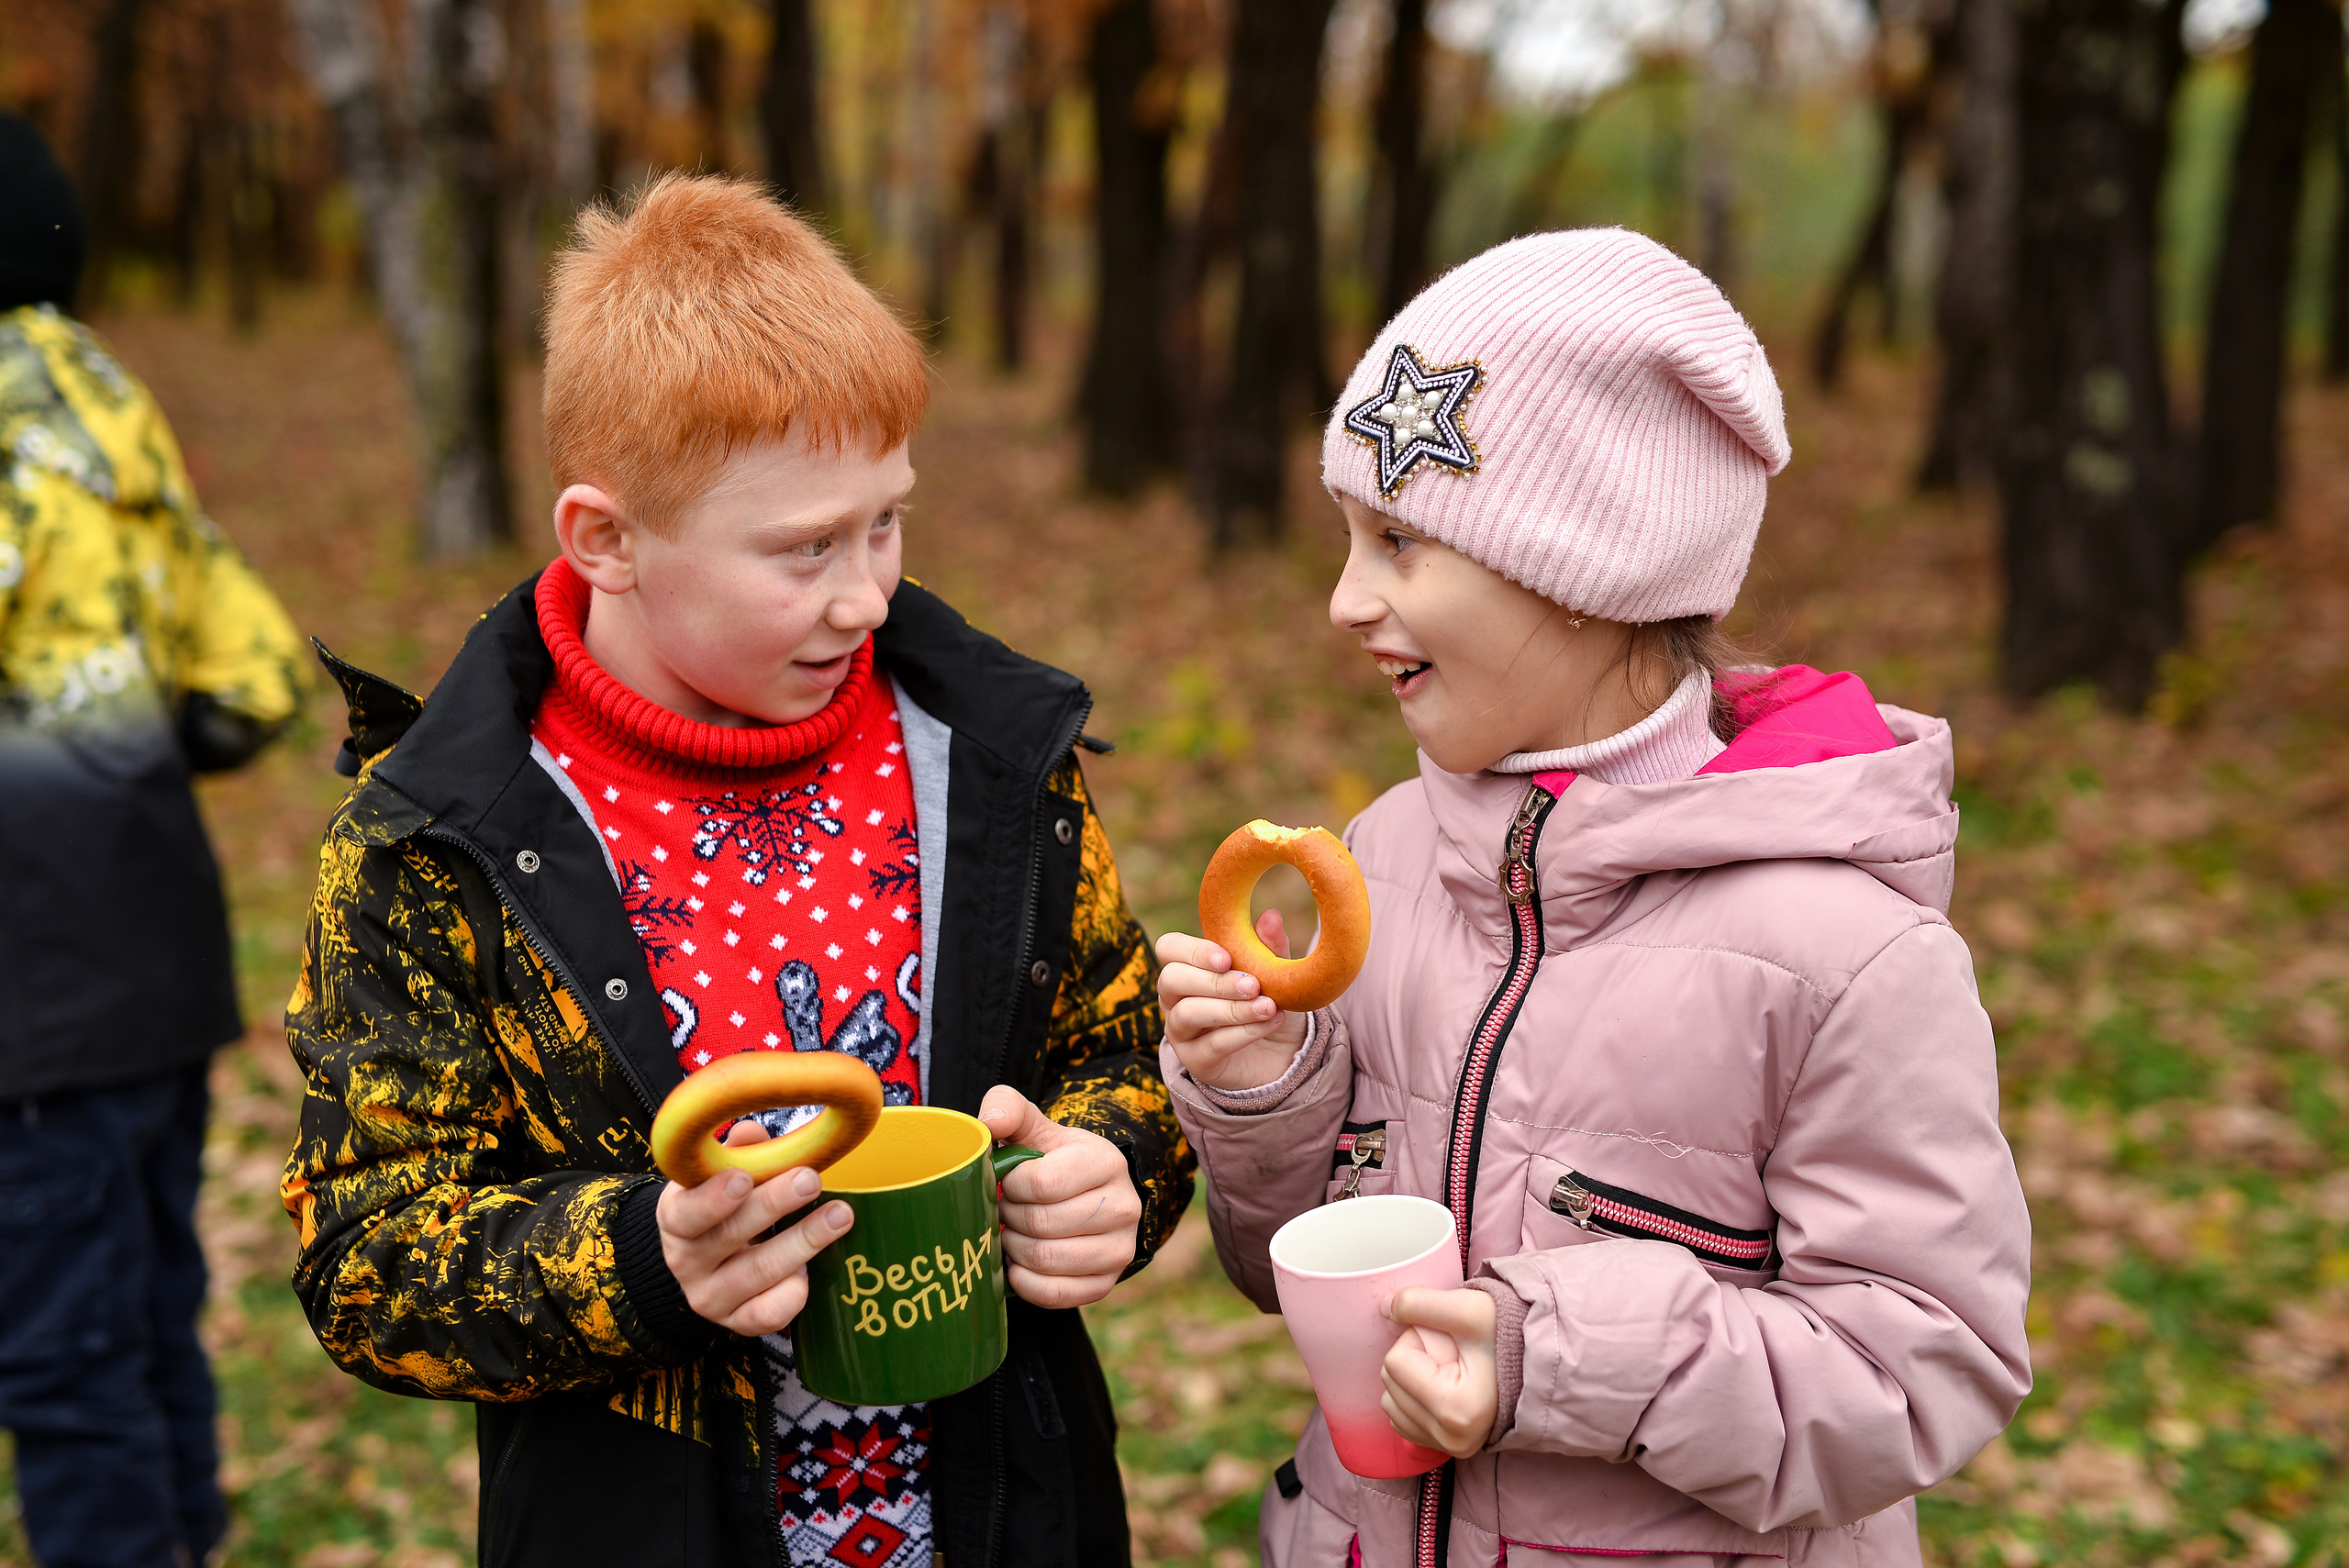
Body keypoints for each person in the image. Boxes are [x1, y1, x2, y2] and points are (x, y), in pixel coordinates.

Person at [282, 172, 1191, 1568]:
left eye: (885, 521)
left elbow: (1121, 1054)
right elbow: (367, 1258)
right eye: (803, 548)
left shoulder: (994, 765)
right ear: (608, 540)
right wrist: (645, 1262)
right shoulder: (438, 845)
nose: (867, 594)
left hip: (1013, 1513)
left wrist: (1114, 1168)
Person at [1156, 229, 2032, 1568]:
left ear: (1589, 570)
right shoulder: (1387, 861)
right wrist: (1272, 1090)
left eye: (1398, 541)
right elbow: (1285, 1261)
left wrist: (1556, 1359)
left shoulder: (1845, 954)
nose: (1343, 600)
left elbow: (1925, 1363)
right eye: (1349, 540)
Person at [0, 109, 307, 1568]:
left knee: (62, 1356)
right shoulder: (101, 398)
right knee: (144, 1318)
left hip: (30, 985)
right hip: (154, 947)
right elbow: (249, 676)